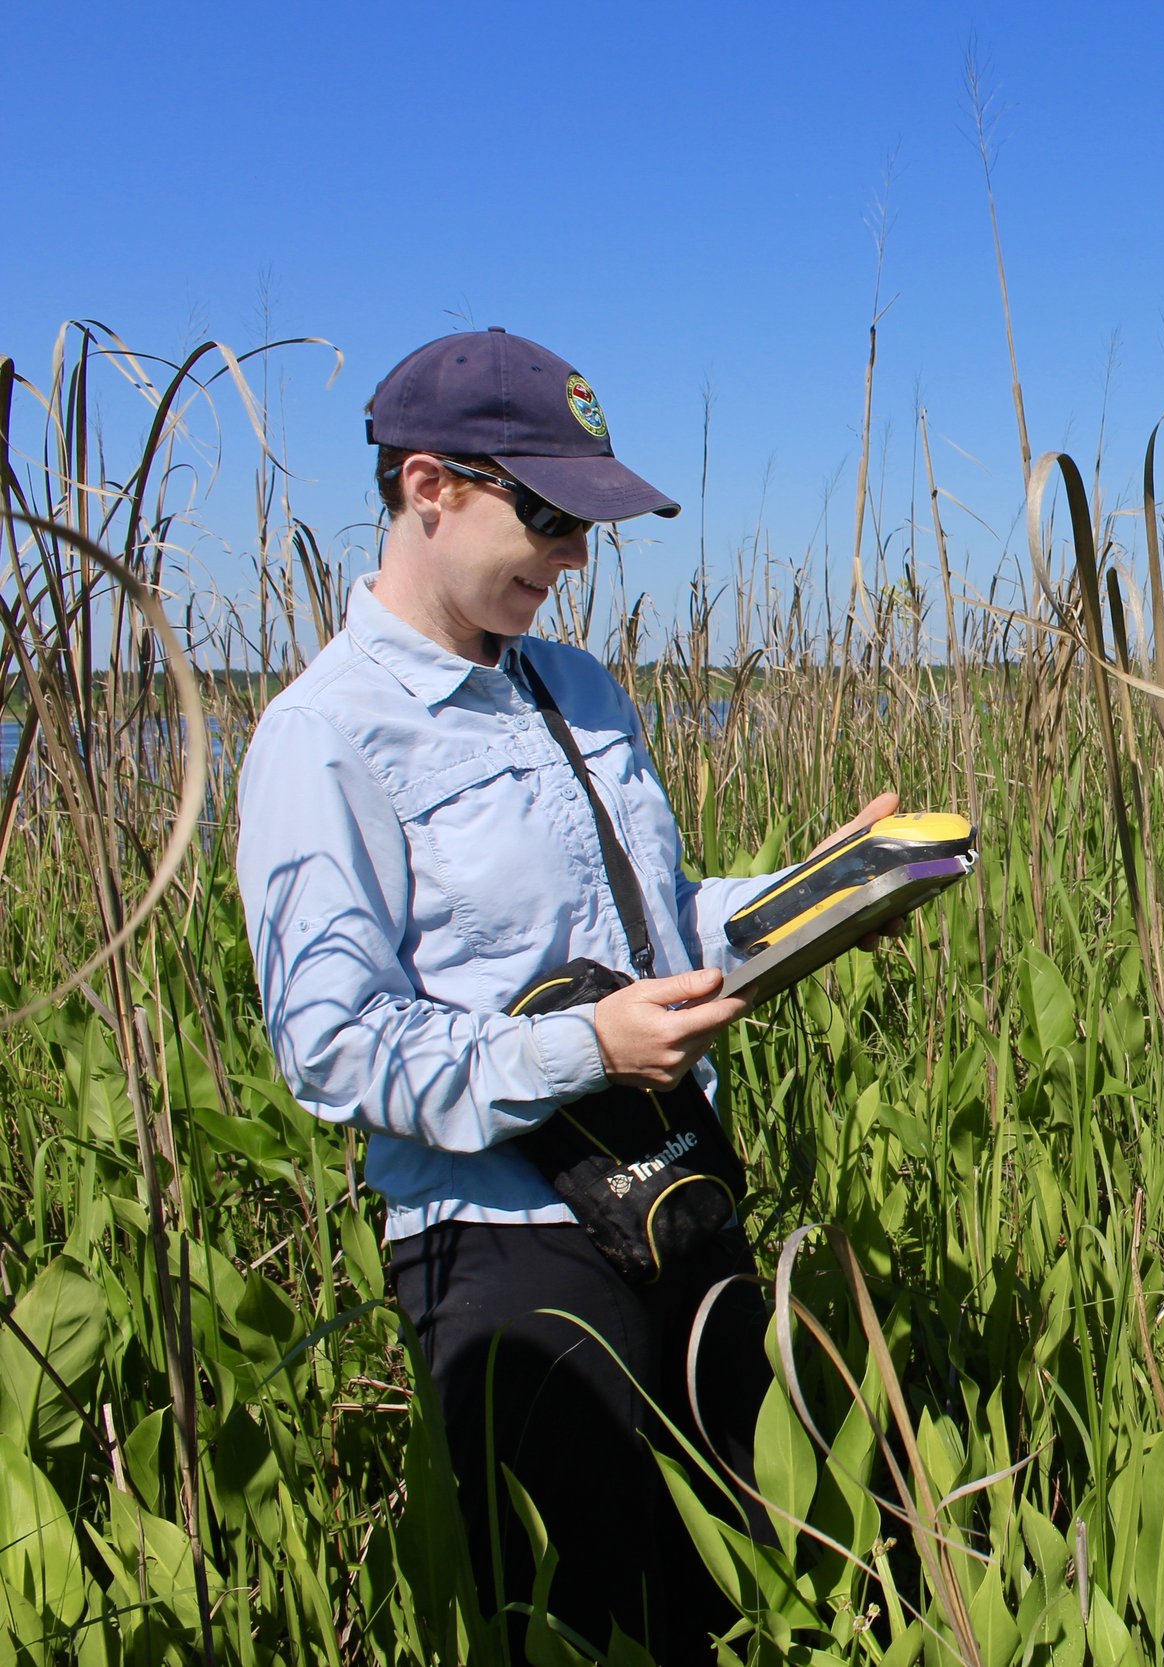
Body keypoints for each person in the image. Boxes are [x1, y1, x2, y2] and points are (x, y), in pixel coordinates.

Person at [236, 327, 898, 1661]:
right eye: (548, 515)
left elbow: (656, 922)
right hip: (503, 1242)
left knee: (782, 1577)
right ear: (430, 487)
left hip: (668, 1189)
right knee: (599, 1619)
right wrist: (585, 1048)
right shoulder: (324, 738)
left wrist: (816, 896)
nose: (577, 554)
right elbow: (330, 1044)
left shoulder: (580, 689)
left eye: (589, 522)